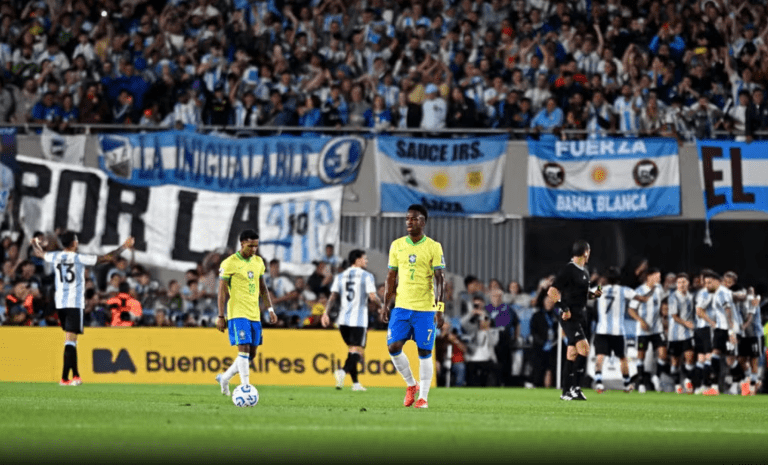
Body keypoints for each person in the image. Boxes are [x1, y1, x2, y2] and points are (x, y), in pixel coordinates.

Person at [30, 231, 135, 386]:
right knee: (70, 341)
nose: (77, 242)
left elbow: (39, 253)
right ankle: (69, 378)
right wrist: (123, 247)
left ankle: (70, 377)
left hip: (61, 304)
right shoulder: (78, 258)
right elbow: (107, 258)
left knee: (70, 340)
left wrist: (34, 241)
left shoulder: (56, 256)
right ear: (73, 243)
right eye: (76, 240)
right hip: (74, 302)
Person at [381, 204, 445, 408]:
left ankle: (423, 398)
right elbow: (391, 277)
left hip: (425, 308)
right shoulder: (397, 245)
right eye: (407, 218)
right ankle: (411, 384)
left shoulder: (434, 246)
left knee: (424, 352)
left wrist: (440, 308)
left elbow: (440, 279)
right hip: (401, 306)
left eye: (414, 219)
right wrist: (385, 304)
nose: (409, 222)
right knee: (393, 346)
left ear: (423, 222)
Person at [215, 230, 278, 396]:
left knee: (252, 354)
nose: (254, 249)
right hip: (237, 312)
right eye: (250, 246)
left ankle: (225, 377)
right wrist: (221, 316)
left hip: (254, 314)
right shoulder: (229, 263)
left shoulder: (258, 262)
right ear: (242, 243)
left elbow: (263, 288)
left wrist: (270, 309)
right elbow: (221, 292)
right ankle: (246, 387)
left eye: (256, 246)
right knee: (242, 350)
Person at [547, 239, 601, 401]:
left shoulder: (584, 271)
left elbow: (582, 295)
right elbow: (552, 291)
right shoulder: (568, 270)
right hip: (569, 316)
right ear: (585, 252)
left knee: (572, 353)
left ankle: (565, 392)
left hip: (581, 315)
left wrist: (593, 295)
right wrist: (563, 307)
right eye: (589, 251)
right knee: (584, 349)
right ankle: (576, 388)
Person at [321, 249, 382, 391]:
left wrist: (326, 313)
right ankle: (342, 371)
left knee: (352, 350)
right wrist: (382, 306)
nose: (366, 261)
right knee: (358, 351)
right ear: (357, 260)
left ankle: (355, 383)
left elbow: (333, 296)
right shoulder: (367, 276)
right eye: (364, 258)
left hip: (342, 321)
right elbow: (373, 297)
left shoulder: (341, 276)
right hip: (358, 320)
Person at [593, 266, 635, 394]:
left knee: (600, 356)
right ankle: (627, 384)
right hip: (617, 331)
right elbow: (637, 297)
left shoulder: (600, 289)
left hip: (602, 329)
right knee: (622, 357)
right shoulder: (623, 290)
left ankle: (599, 383)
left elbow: (588, 296)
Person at [627, 267, 667, 393]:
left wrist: (664, 316)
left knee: (663, 354)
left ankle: (656, 377)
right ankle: (641, 382)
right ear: (649, 277)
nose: (659, 279)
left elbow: (663, 305)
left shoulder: (659, 289)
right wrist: (641, 321)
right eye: (657, 276)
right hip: (643, 330)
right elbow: (631, 310)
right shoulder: (639, 291)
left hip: (657, 329)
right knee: (641, 357)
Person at [695, 270, 735, 396]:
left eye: (709, 282)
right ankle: (712, 386)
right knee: (714, 356)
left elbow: (728, 310)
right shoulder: (711, 293)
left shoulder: (722, 292)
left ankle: (742, 383)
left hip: (726, 329)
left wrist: (731, 331)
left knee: (731, 358)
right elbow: (699, 310)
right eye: (705, 282)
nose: (706, 284)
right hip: (719, 328)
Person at [667, 273, 696, 394]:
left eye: (684, 282)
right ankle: (677, 384)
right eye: (679, 282)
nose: (682, 285)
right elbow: (674, 316)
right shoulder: (673, 297)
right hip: (675, 334)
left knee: (689, 357)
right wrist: (687, 323)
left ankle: (687, 380)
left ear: (688, 283)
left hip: (688, 333)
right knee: (675, 361)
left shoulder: (692, 296)